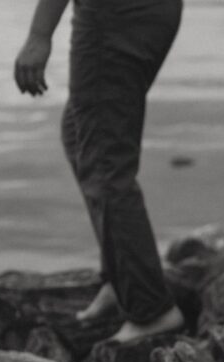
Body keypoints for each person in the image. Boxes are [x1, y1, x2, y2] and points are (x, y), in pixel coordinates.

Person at [15, 0, 185, 343]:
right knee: (81, 135)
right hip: (145, 12)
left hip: (115, 16)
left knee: (104, 161)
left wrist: (38, 35)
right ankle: (123, 278)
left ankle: (150, 309)